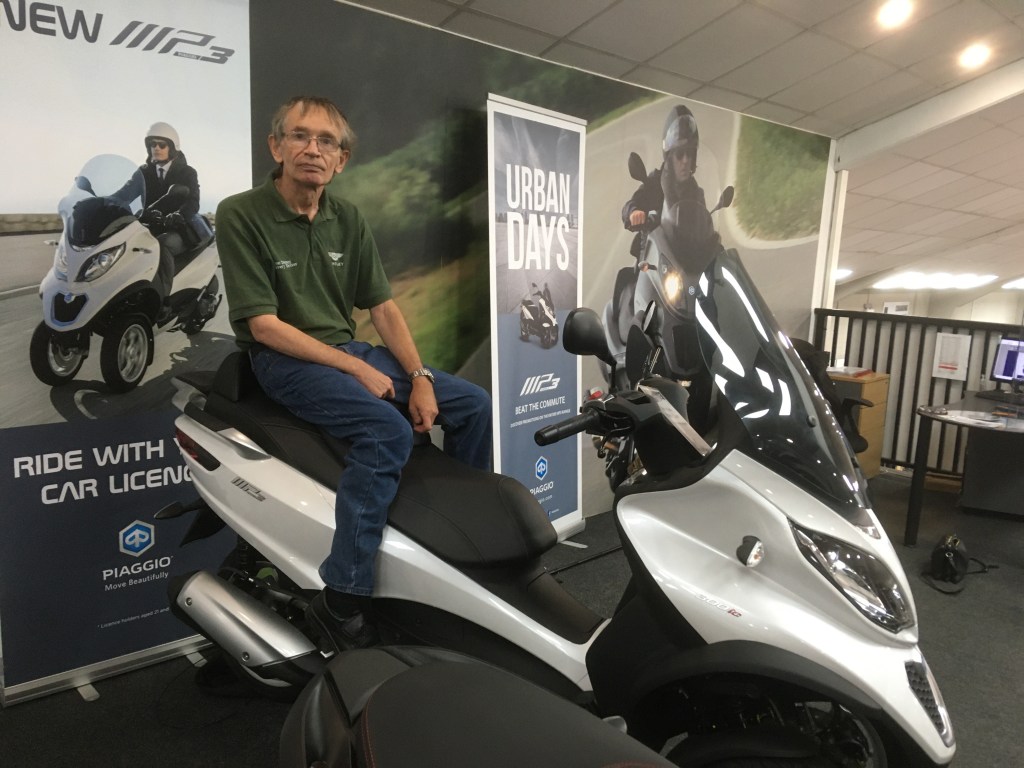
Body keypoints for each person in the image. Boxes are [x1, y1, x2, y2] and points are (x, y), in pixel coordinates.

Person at [215, 96, 492, 650]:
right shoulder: (241, 213)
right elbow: (264, 327)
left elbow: (383, 308)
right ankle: (342, 596)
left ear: (341, 160)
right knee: (386, 431)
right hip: (284, 361)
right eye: (300, 136)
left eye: (327, 141)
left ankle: (454, 544)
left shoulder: (347, 218)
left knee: (473, 405)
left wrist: (420, 376)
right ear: (276, 147)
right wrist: (355, 368)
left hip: (346, 349)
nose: (312, 149)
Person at [113, 122, 205, 316]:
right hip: (149, 226)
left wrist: (179, 215)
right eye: (152, 144)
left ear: (172, 148)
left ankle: (163, 301)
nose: (156, 148)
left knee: (162, 246)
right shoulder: (143, 172)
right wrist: (102, 203)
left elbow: (193, 202)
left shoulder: (187, 172)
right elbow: (123, 194)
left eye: (162, 144)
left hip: (178, 227)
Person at [621, 105, 707, 256]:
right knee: (631, 273)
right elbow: (631, 204)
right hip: (654, 257)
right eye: (680, 154)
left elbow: (704, 227)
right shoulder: (654, 182)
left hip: (685, 259)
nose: (685, 161)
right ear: (670, 157)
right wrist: (633, 212)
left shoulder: (695, 191)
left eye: (689, 154)